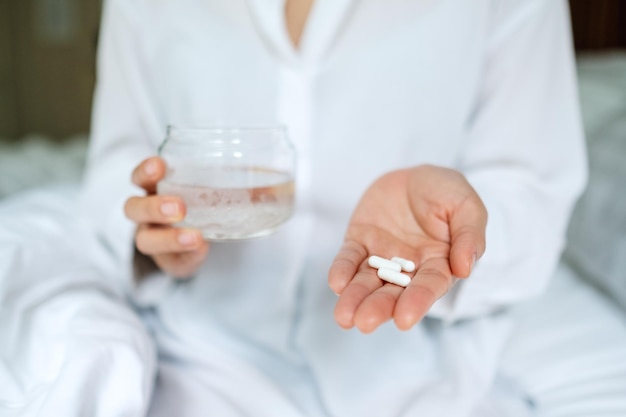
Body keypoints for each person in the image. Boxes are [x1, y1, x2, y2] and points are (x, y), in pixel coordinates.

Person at [2, 0, 626, 416]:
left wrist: (457, 228)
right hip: (199, 350)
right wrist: (154, 241)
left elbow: (535, 193)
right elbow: (119, 165)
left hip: (412, 356)